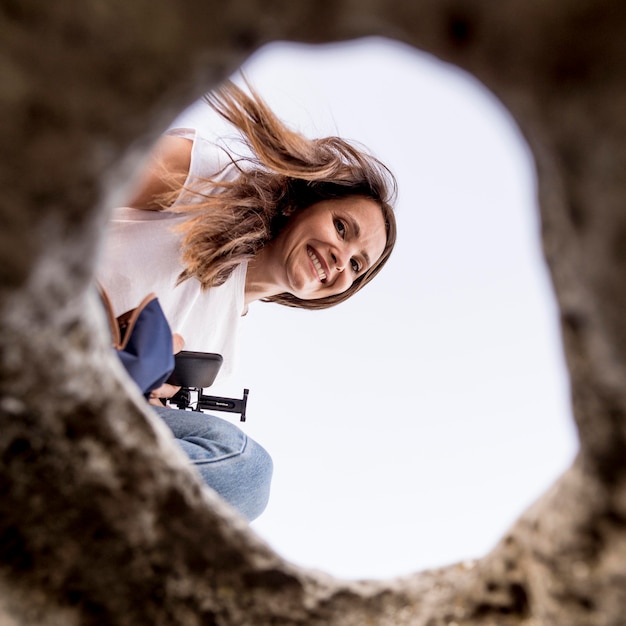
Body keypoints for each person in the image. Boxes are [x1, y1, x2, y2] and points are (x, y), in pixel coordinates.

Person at [98, 79, 397, 520]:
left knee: (245, 477)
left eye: (356, 266)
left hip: (86, 407)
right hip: (35, 313)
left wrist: (141, 398)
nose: (341, 259)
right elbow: (79, 190)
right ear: (301, 204)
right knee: (240, 458)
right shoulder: (213, 180)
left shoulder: (217, 353)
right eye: (341, 227)